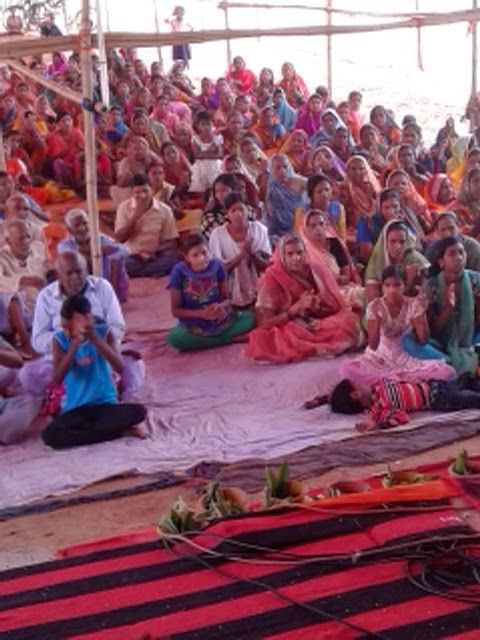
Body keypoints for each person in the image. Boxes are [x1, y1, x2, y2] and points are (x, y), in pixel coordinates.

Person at [19, 251, 144, 398]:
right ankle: (84, 390)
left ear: (86, 270)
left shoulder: (103, 287)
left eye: (79, 272)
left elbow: (117, 327)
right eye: (69, 273)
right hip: (64, 359)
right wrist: (69, 337)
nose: (75, 278)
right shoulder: (46, 297)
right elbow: (38, 340)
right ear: (58, 275)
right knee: (28, 376)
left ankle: (78, 392)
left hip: (102, 355)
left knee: (133, 367)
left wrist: (95, 338)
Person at [41, 295, 147, 450]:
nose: (67, 332)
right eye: (64, 327)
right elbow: (56, 377)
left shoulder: (103, 331)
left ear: (87, 319)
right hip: (75, 409)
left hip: (104, 405)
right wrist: (73, 346)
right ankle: (117, 432)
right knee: (50, 436)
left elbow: (118, 366)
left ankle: (91, 433)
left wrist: (94, 339)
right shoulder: (59, 339)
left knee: (139, 412)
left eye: (71, 326)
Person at [244, 234, 360, 363]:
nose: (296, 258)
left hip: (310, 320)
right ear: (282, 256)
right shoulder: (271, 278)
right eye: (290, 254)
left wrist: (316, 306)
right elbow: (265, 322)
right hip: (285, 323)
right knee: (271, 338)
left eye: (299, 252)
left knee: (350, 320)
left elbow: (330, 305)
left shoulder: (312, 271)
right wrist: (297, 307)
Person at [340, 265, 454, 384]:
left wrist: (421, 316)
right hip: (380, 355)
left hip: (404, 352)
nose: (392, 290)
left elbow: (423, 340)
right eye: (387, 285)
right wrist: (376, 317)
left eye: (397, 285)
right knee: (348, 370)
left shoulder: (412, 304)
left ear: (404, 286)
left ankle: (398, 382)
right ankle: (391, 381)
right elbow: (373, 345)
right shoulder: (375, 306)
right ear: (382, 288)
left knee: (446, 372)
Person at [401, 236, 480, 375]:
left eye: (461, 253)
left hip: (470, 338)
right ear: (441, 261)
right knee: (407, 340)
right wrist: (448, 307)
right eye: (452, 254)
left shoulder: (475, 280)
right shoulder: (431, 287)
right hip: (441, 342)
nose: (459, 258)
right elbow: (433, 330)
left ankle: (454, 363)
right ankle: (450, 361)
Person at [166, 233, 254, 351]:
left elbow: (227, 299)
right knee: (174, 338)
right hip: (194, 323)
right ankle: (231, 339)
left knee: (251, 318)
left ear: (210, 251)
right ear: (186, 258)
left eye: (204, 253)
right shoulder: (179, 272)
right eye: (195, 255)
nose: (202, 258)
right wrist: (202, 314)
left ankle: (209, 341)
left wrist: (219, 306)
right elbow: (176, 311)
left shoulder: (217, 266)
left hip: (219, 319)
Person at [323, 374, 480, 432]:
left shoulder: (377, 385)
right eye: (358, 384)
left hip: (434, 385)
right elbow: (402, 418)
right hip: (438, 399)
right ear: (356, 394)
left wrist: (320, 399)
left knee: (466, 379)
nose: (361, 382)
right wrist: (377, 425)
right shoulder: (379, 410)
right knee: (470, 398)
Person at [209, 193, 271, 308]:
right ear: (226, 213)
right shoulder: (217, 235)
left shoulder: (259, 230)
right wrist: (242, 254)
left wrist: (251, 253)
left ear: (248, 209)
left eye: (241, 209)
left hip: (259, 286)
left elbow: (267, 266)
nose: (238, 214)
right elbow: (219, 271)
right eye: (233, 211)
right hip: (229, 289)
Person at [114, 173, 180, 277]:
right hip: (132, 256)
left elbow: (171, 241)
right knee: (121, 264)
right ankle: (152, 272)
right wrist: (136, 215)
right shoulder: (124, 208)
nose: (142, 196)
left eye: (145, 191)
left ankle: (141, 272)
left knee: (174, 259)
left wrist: (152, 253)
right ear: (131, 193)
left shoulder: (165, 210)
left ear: (152, 190)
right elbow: (120, 238)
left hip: (156, 255)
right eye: (137, 192)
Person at [58, 209, 129, 302]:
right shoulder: (65, 244)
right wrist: (96, 250)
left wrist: (107, 251)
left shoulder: (100, 238)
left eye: (85, 223)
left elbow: (123, 250)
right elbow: (70, 255)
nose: (82, 228)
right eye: (77, 225)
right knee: (74, 263)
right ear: (69, 229)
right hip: (79, 288)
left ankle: (111, 294)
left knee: (116, 258)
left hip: (106, 282)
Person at [300, 209, 363, 312]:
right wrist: (325, 282)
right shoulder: (303, 250)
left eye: (321, 224)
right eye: (313, 225)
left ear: (326, 225)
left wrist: (337, 280)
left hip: (341, 288)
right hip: (320, 293)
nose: (318, 229)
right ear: (306, 229)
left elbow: (346, 276)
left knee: (362, 295)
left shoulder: (334, 243)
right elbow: (308, 282)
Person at [364, 220, 429, 302]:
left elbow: (422, 299)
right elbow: (374, 303)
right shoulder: (376, 262)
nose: (398, 246)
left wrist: (412, 281)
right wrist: (407, 282)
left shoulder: (415, 260)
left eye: (402, 242)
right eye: (393, 241)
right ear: (385, 242)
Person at [258, 153, 307, 240]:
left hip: (298, 226)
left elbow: (315, 187)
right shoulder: (268, 184)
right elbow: (263, 204)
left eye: (285, 167)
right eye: (278, 168)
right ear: (270, 170)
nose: (282, 171)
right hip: (275, 229)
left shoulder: (299, 182)